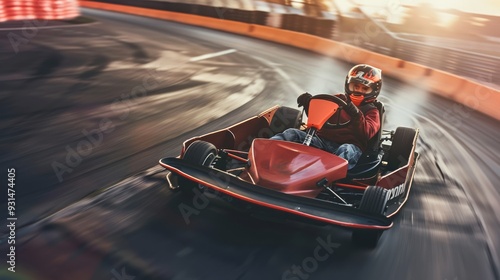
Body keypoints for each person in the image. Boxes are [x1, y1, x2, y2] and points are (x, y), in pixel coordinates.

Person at [271, 64, 382, 170]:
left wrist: (355, 113)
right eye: (356, 86)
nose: (358, 91)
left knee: (346, 150)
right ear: (348, 85)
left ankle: (320, 178)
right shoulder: (339, 99)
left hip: (349, 146)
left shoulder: (372, 111)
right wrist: (308, 103)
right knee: (292, 133)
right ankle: (264, 156)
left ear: (373, 91)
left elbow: (367, 133)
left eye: (364, 88)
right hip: (321, 141)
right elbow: (318, 115)